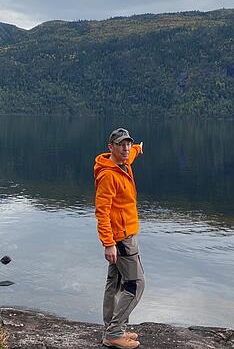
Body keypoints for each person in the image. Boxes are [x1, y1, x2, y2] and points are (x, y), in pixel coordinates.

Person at [94, 128, 145, 349]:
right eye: (121, 144)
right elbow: (102, 212)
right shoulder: (108, 175)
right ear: (110, 147)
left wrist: (138, 149)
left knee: (114, 283)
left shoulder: (124, 161)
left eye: (128, 144)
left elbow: (132, 153)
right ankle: (115, 333)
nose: (126, 148)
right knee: (136, 283)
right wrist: (108, 243)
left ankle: (112, 327)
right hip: (121, 239)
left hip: (125, 235)